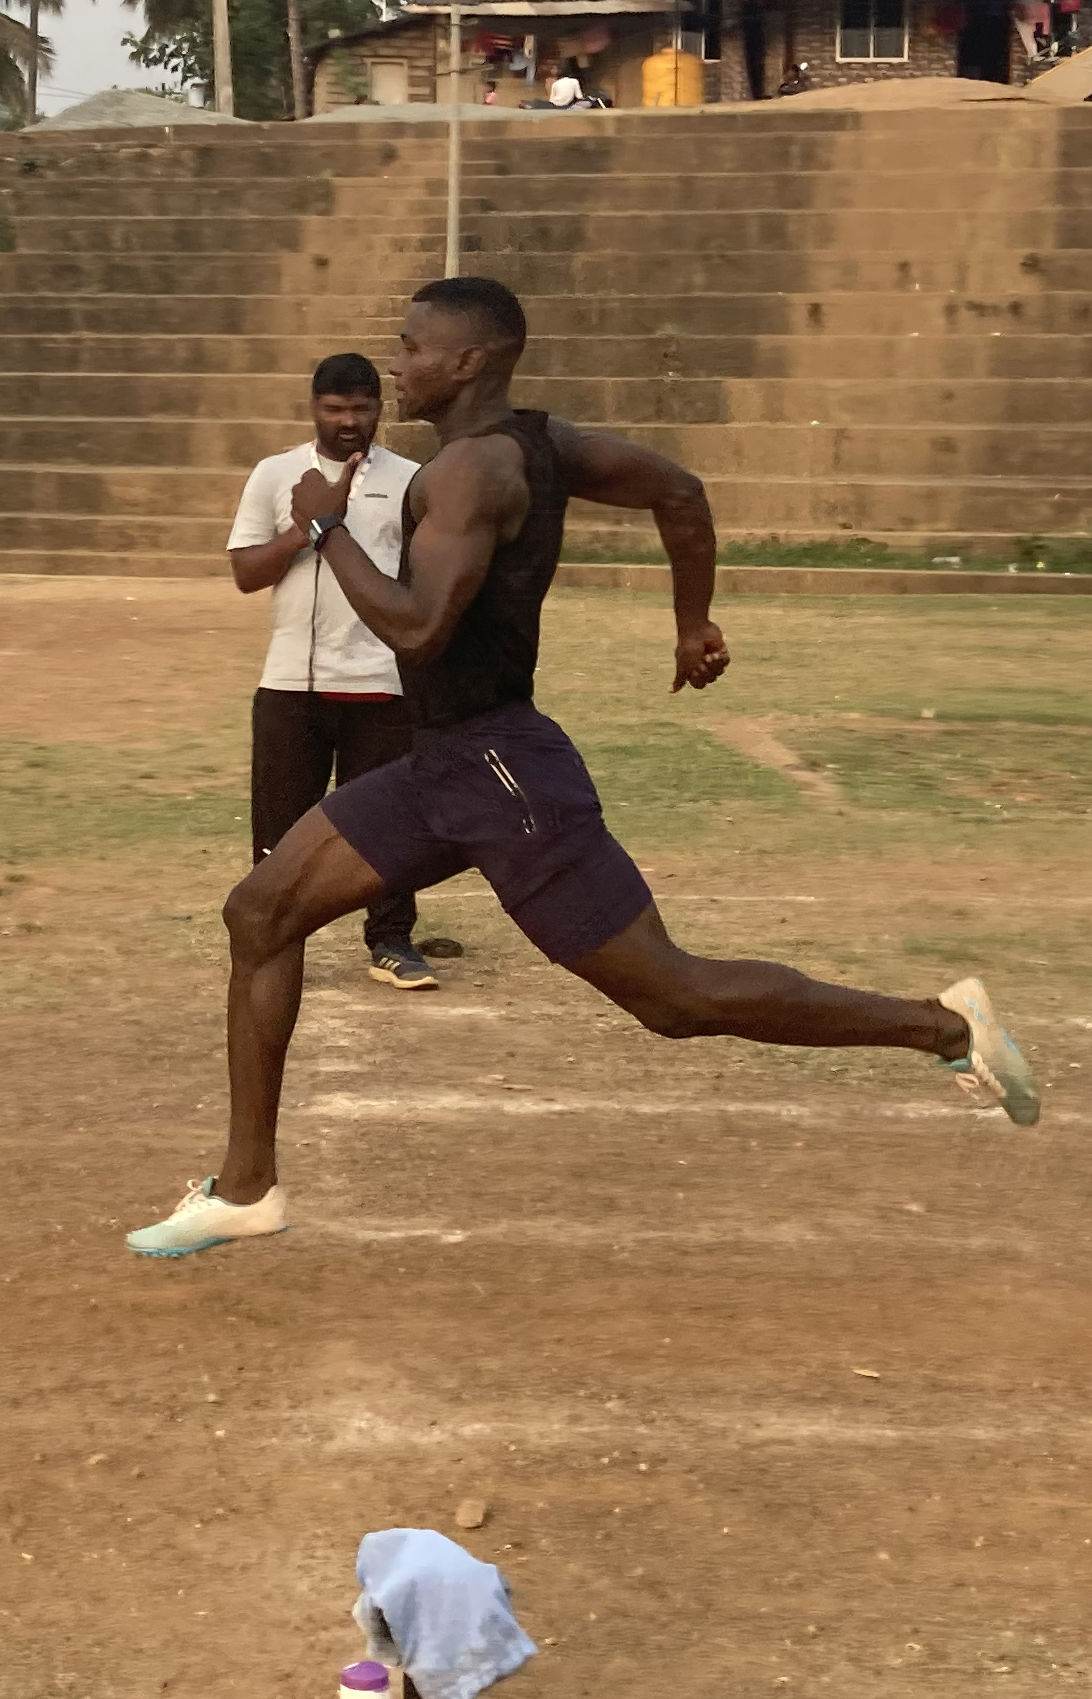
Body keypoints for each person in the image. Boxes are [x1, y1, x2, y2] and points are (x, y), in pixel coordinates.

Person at [126, 276, 1037, 1259]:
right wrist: (693, 620)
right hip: (441, 764)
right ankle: (247, 1188)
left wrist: (326, 528)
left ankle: (944, 1026)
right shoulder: (546, 443)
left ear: (468, 361)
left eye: (414, 346)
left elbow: (420, 630)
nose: (399, 364)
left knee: (674, 998)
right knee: (261, 913)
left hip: (500, 775)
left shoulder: (471, 473)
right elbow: (679, 492)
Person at [230, 352, 453, 993]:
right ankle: (272, 937)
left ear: (380, 409)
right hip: (290, 687)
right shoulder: (277, 474)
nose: (349, 421)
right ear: (314, 408)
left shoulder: (412, 481)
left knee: (392, 824)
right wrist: (308, 528)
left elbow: (424, 581)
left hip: (382, 683)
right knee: (278, 828)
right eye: (335, 408)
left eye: (362, 407)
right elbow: (246, 573)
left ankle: (391, 940)